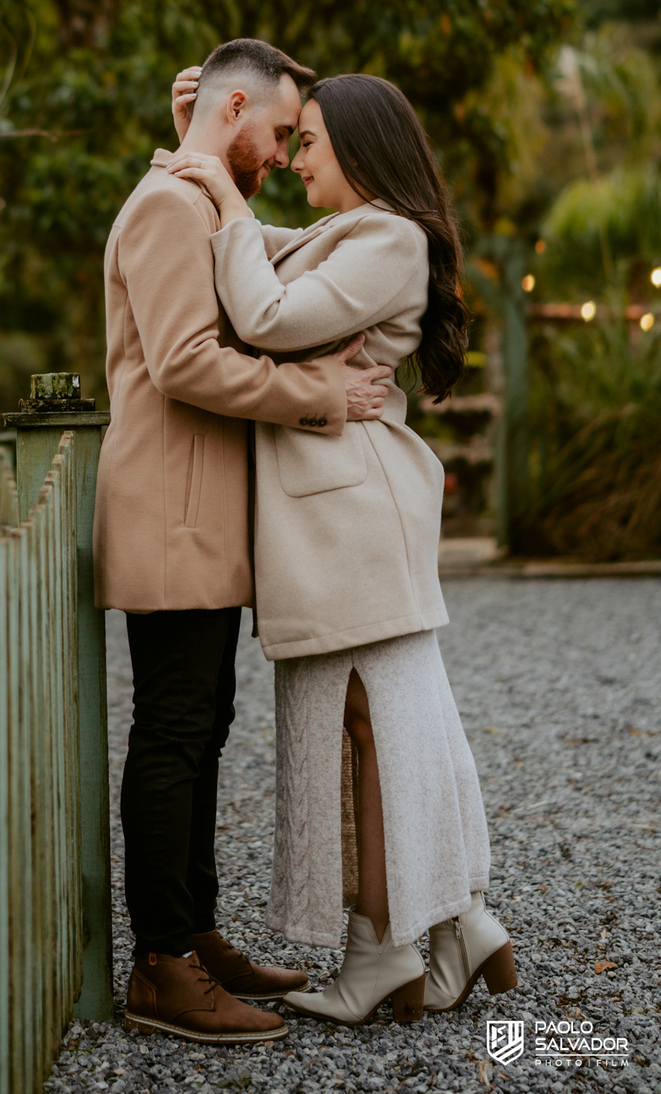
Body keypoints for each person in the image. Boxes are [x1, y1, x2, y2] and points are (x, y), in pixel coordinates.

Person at [166, 64, 517, 1028]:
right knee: (380, 722)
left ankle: (385, 952)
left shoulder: (389, 239)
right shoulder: (348, 233)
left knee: (363, 721)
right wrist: (202, 152)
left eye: (310, 141)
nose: (295, 157)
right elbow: (263, 251)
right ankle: (453, 926)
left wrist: (221, 195)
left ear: (361, 151)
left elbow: (265, 317)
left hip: (346, 508)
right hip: (342, 502)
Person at [93, 39, 397, 1045]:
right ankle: (161, 967)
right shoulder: (166, 207)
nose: (279, 155)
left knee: (204, 722)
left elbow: (255, 253)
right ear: (230, 111)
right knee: (173, 734)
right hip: (170, 513)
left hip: (204, 517)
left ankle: (197, 934)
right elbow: (184, 362)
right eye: (274, 132)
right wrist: (319, 396)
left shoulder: (196, 199)